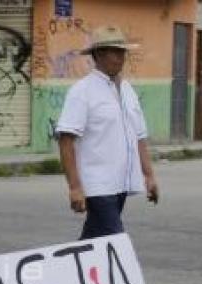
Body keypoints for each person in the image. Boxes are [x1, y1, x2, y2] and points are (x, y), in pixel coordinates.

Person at [56, 26, 159, 240]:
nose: (121, 57)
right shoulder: (82, 91)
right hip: (97, 186)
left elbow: (139, 136)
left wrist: (148, 175)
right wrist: (75, 187)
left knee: (94, 242)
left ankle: (72, 271)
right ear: (99, 54)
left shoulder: (128, 90)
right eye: (115, 51)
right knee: (116, 241)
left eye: (122, 52)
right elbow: (66, 140)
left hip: (121, 183)